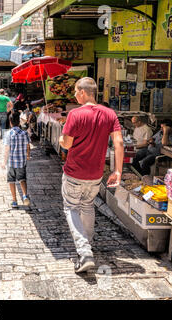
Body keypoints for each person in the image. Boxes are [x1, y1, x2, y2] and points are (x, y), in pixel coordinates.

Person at [59, 77, 123, 273]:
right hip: (95, 174)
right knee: (87, 206)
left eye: (76, 92)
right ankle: (88, 245)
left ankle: (84, 251)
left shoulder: (75, 114)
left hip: (74, 172)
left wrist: (61, 138)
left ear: (83, 92)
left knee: (71, 207)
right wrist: (118, 171)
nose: (75, 95)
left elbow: (67, 144)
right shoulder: (110, 113)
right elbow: (119, 143)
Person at [2, 111, 31, 208]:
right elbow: (28, 146)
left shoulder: (8, 134)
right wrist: (28, 155)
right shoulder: (24, 133)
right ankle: (25, 195)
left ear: (10, 122)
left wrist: (4, 162)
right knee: (22, 179)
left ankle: (14, 201)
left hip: (11, 162)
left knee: (11, 181)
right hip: (21, 162)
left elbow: (7, 149)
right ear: (19, 122)